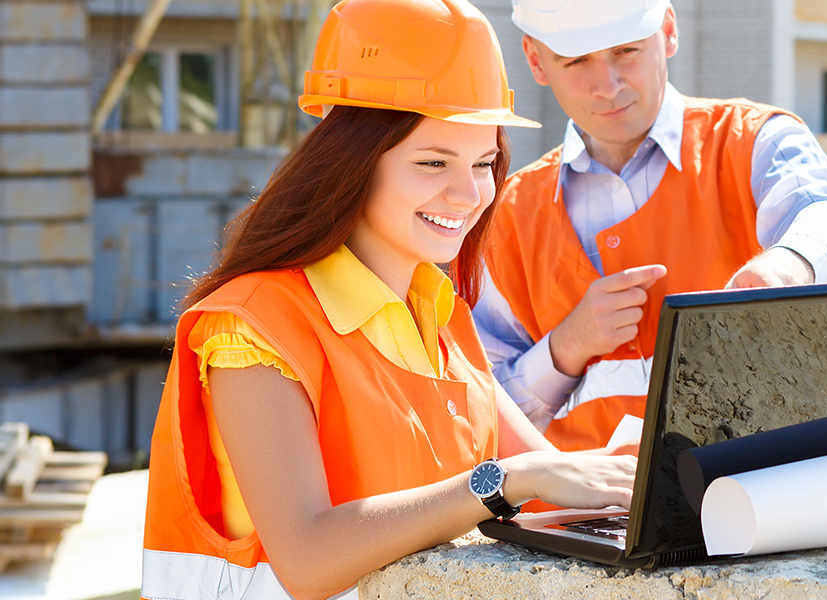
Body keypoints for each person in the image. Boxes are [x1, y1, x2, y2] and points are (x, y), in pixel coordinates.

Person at [140, 2, 635, 598]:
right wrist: (506, 479)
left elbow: (554, 484)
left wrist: (652, 469)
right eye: (433, 162)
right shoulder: (254, 326)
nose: (469, 192)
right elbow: (306, 558)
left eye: (484, 163)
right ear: (350, 164)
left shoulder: (441, 316)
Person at [473, 0, 827, 451]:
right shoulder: (504, 215)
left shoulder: (756, 140)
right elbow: (478, 417)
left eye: (626, 51)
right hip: (577, 517)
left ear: (667, 31)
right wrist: (564, 348)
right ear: (534, 60)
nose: (607, 86)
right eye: (577, 61)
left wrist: (785, 269)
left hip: (751, 497)